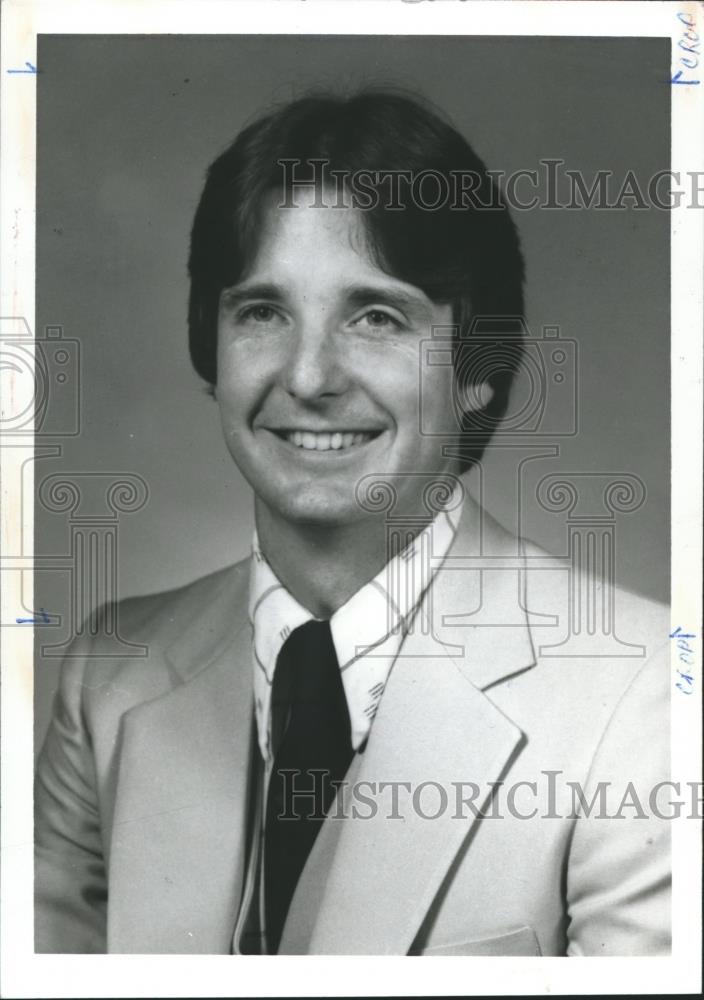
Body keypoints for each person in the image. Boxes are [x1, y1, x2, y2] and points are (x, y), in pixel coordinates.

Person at [35, 89, 670, 956]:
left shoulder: (645, 698)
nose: (308, 376)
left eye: (376, 317)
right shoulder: (110, 678)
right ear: (209, 349)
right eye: (263, 312)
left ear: (480, 365)